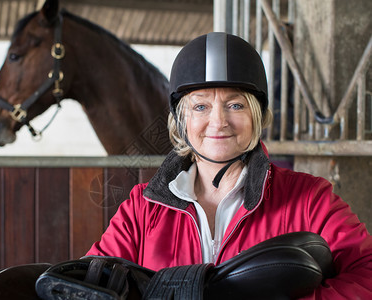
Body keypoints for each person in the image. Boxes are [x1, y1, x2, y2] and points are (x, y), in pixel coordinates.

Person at [86, 32, 372, 298]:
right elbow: (89, 284)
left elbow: (366, 271)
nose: (218, 122)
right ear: (180, 120)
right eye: (201, 107)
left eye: (235, 105)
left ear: (257, 115)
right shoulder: (141, 208)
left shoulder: (310, 199)